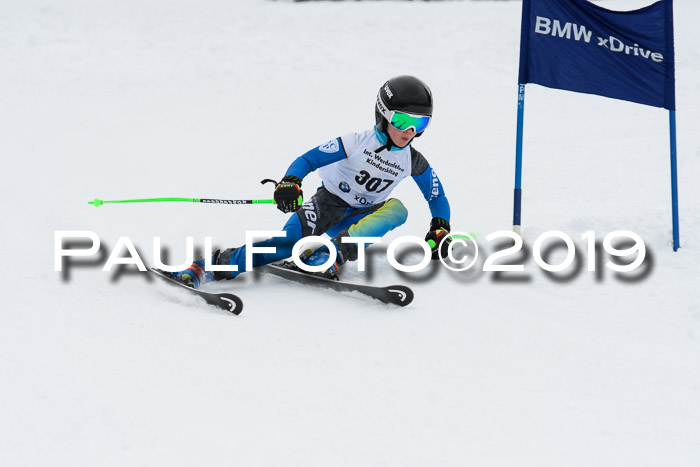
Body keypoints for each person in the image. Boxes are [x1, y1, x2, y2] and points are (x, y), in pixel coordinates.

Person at [169, 75, 452, 288]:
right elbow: (308, 160)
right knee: (287, 242)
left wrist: (440, 227)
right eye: (403, 121)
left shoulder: (412, 160)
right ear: (384, 114)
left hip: (366, 215)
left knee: (398, 209)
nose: (410, 131)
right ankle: (205, 267)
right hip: (328, 203)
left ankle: (327, 258)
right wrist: (291, 181)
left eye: (421, 124)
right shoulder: (355, 142)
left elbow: (435, 196)